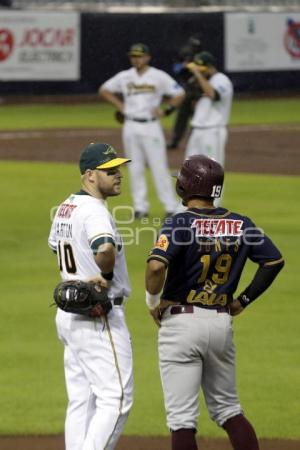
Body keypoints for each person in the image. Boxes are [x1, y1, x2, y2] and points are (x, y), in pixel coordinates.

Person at [145, 155, 284, 450]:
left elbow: (156, 267)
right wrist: (242, 300)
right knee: (229, 410)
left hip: (181, 324)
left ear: (185, 187)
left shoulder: (179, 222)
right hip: (221, 322)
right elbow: (274, 260)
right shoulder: (240, 223)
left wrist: (152, 300)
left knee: (182, 419)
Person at [48, 142, 133, 450]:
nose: (118, 174)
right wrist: (106, 277)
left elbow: (55, 247)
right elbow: (105, 249)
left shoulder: (65, 206)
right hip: (98, 317)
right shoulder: (95, 212)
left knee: (81, 398)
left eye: (118, 168)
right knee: (117, 397)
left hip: (69, 315)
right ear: (89, 176)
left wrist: (77, 275)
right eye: (109, 171)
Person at [99, 43, 185, 219]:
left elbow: (179, 93)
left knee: (158, 166)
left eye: (139, 56)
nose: (136, 59)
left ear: (147, 57)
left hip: (151, 125)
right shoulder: (125, 76)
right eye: (133, 56)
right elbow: (104, 90)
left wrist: (166, 110)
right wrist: (120, 105)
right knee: (134, 167)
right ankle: (140, 207)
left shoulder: (158, 76)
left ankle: (170, 206)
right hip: (130, 125)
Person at [185, 51, 233, 170]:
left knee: (211, 172)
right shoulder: (201, 82)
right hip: (197, 130)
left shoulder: (222, 80)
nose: (199, 72)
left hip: (213, 131)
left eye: (201, 69)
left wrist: (198, 75)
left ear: (210, 67)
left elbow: (213, 94)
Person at [167, 35, 203, 150]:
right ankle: (175, 140)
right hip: (187, 91)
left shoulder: (202, 59)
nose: (193, 49)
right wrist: (186, 64)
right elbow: (177, 69)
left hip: (198, 92)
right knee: (182, 116)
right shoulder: (184, 57)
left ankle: (197, 141)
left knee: (198, 118)